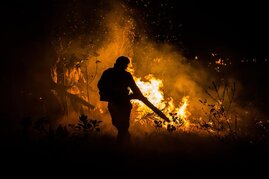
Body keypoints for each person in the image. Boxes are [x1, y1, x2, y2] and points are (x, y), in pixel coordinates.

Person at [97, 56, 146, 146]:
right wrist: (107, 93)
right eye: (125, 65)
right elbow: (100, 85)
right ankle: (126, 141)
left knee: (123, 125)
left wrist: (140, 96)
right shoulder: (109, 73)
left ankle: (121, 145)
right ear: (122, 64)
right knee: (117, 123)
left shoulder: (123, 75)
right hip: (114, 102)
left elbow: (135, 88)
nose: (126, 67)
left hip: (123, 103)